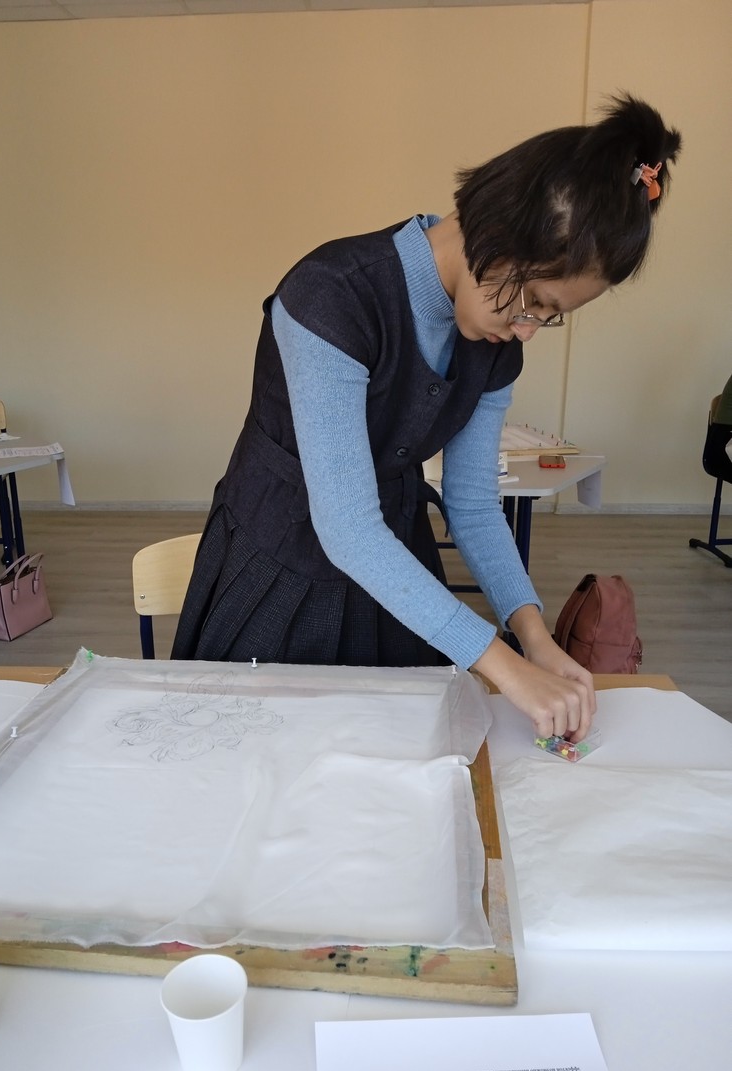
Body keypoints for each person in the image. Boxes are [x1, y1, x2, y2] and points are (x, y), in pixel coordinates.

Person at [173, 92, 681, 743]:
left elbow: (472, 504)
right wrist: (505, 668)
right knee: (263, 758)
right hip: (280, 563)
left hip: (397, 567)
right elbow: (347, 530)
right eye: (532, 299)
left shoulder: (495, 346)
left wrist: (534, 638)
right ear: (493, 228)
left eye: (550, 316)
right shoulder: (332, 296)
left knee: (399, 762)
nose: (528, 329)